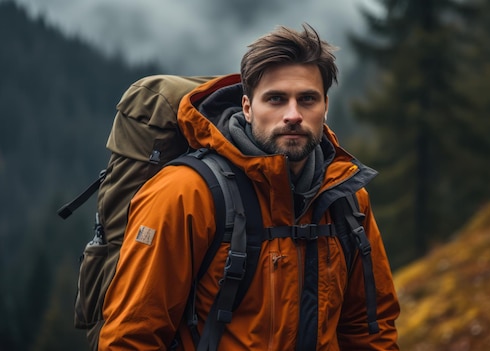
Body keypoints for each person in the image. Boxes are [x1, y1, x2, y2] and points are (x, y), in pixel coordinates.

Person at [99, 24, 400, 350]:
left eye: (307, 99)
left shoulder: (347, 199)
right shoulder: (186, 194)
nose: (293, 115)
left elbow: (371, 330)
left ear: (325, 106)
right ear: (246, 107)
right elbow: (131, 338)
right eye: (275, 99)